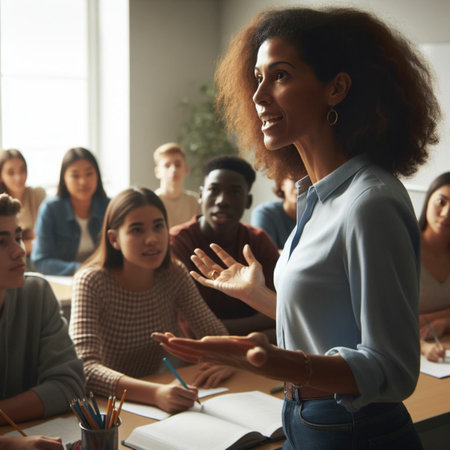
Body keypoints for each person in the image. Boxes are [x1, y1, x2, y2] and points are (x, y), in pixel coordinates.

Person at [154, 6, 440, 449]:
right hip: (304, 421)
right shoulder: (317, 196)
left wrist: (277, 363)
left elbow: (393, 370)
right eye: (257, 77)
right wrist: (259, 296)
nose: (258, 94)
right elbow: (332, 325)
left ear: (336, 88)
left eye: (280, 75)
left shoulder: (370, 203)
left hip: (353, 431)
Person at [69, 187, 232, 414]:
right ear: (114, 239)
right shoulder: (91, 281)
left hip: (162, 399)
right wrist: (154, 393)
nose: (152, 239)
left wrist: (228, 360)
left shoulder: (174, 273)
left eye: (158, 226)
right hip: (109, 409)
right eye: (137, 230)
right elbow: (84, 369)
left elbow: (217, 336)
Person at [0, 194, 84, 441]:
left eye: (17, 237)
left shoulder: (36, 294)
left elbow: (70, 387)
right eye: (1, 242)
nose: (20, 251)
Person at [170, 155, 279, 339]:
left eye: (234, 192)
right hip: (200, 352)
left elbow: (281, 313)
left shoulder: (258, 241)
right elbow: (185, 327)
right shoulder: (178, 242)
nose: (222, 201)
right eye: (213, 190)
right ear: (201, 195)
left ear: (248, 201)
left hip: (253, 347)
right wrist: (254, 329)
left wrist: (216, 331)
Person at [31, 147, 109, 275]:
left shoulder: (109, 206)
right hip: (64, 283)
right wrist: (82, 268)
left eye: (89, 174)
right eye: (75, 175)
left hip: (103, 279)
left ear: (98, 176)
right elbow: (41, 261)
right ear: (64, 178)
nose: (83, 181)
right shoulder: (50, 209)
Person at [418, 172, 450, 362]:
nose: (446, 214)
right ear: (429, 199)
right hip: (412, 351)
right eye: (441, 202)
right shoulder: (404, 249)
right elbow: (384, 320)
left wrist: (443, 322)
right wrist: (421, 346)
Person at [0, 149, 46, 256]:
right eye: (11, 173)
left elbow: (49, 239)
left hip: (39, 257)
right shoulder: (1, 203)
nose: (18, 177)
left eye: (22, 170)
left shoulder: (38, 195)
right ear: (1, 176)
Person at [154, 142, 201, 228]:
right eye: (167, 165)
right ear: (157, 172)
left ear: (186, 169)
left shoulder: (196, 202)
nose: (173, 169)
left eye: (178, 165)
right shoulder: (152, 202)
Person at [251, 175, 297, 249]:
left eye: (309, 182)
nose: (301, 186)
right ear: (282, 184)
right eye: (296, 180)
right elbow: (265, 254)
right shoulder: (264, 213)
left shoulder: (318, 215)